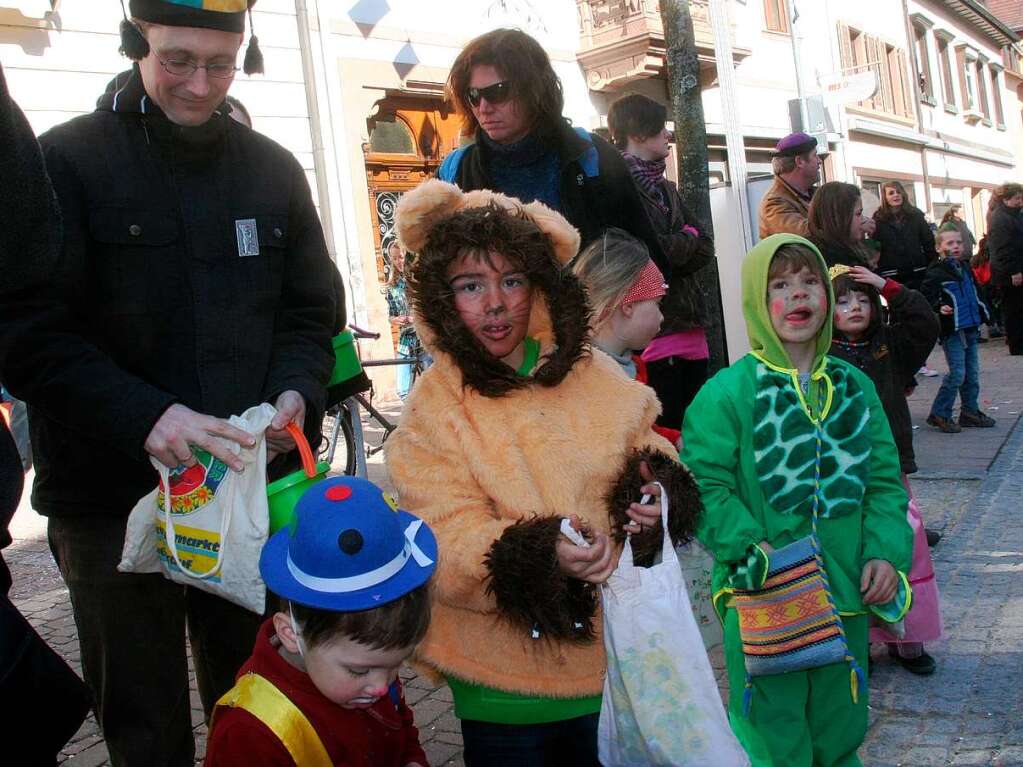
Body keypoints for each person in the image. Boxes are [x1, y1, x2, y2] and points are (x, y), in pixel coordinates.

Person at [0, 2, 338, 763]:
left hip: (239, 494)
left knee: (251, 701)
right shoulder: (62, 163)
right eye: (177, 60)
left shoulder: (271, 168)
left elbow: (310, 313)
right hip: (107, 500)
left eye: (220, 64)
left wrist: (295, 391)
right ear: (136, 42)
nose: (198, 85)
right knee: (143, 724)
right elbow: (24, 332)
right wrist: (146, 415)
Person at [385, 179, 703, 766]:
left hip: (616, 666)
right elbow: (442, 536)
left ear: (539, 285)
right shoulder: (435, 407)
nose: (496, 303)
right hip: (502, 687)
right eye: (470, 286)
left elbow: (651, 449)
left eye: (512, 280)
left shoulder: (591, 375)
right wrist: (537, 553)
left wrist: (657, 495)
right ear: (439, 297)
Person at [681, 234, 913, 766]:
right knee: (772, 733)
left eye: (809, 281)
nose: (797, 295)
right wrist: (747, 545)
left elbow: (882, 480)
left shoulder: (854, 386)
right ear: (757, 305)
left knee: (840, 727)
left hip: (846, 591)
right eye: (779, 285)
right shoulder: (728, 392)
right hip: (763, 593)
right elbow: (704, 481)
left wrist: (883, 552)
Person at [205, 476, 434, 766]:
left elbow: (400, 729)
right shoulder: (250, 734)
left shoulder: (370, 661)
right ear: (291, 633)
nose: (380, 687)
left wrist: (411, 759)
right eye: (357, 671)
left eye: (396, 666)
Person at [436, 28, 669, 274]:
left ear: (533, 90)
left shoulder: (591, 156)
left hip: (589, 309)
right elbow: (430, 272)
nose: (483, 107)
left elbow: (645, 257)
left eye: (497, 92)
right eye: (473, 95)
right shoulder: (456, 171)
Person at [828, 264, 943, 675]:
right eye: (842, 300)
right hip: (839, 473)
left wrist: (886, 286)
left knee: (904, 547)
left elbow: (925, 321)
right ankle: (862, 641)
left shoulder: (889, 346)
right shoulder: (822, 355)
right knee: (852, 554)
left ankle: (908, 636)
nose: (855, 307)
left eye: (863, 299)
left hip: (889, 471)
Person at [607, 93, 716, 429]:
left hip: (690, 325)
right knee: (664, 430)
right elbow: (644, 255)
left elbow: (706, 245)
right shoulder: (616, 188)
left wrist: (681, 243)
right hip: (651, 332)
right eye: (660, 128)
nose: (668, 135)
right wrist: (686, 239)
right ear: (638, 134)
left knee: (698, 430)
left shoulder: (668, 188)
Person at [923, 225, 996, 433]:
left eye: (958, 242)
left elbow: (976, 292)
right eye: (950, 243)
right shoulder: (936, 271)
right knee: (958, 373)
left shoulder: (964, 267)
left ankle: (970, 411)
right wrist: (939, 306)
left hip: (970, 327)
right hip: (953, 330)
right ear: (939, 247)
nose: (955, 246)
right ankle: (940, 413)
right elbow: (926, 296)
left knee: (971, 373)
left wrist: (986, 314)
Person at [872, 181, 937, 291]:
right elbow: (876, 246)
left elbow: (929, 241)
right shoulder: (878, 219)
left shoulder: (916, 215)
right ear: (885, 197)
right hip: (892, 273)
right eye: (891, 193)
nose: (896, 195)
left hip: (918, 271)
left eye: (898, 192)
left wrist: (931, 265)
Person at [759, 132, 821, 239]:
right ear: (799, 161)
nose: (819, 161)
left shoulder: (817, 194)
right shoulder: (774, 205)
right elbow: (810, 236)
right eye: (815, 155)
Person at [985, 182, 1023, 355]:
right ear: (1006, 199)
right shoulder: (1001, 218)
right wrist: (1014, 271)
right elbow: (1003, 249)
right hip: (1009, 272)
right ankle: (1016, 345)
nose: (1020, 201)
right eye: (1017, 198)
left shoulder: (1013, 215)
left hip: (1014, 268)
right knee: (1013, 309)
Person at [384, 241, 421, 399]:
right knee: (403, 391)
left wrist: (417, 317)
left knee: (437, 389)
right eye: (394, 258)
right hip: (405, 342)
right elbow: (391, 314)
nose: (398, 261)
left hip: (424, 340)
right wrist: (395, 319)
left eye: (400, 257)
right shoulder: (392, 286)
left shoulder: (419, 280)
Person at [807, 181, 873, 268]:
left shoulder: (847, 248)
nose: (863, 220)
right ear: (838, 217)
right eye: (858, 214)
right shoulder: (829, 261)